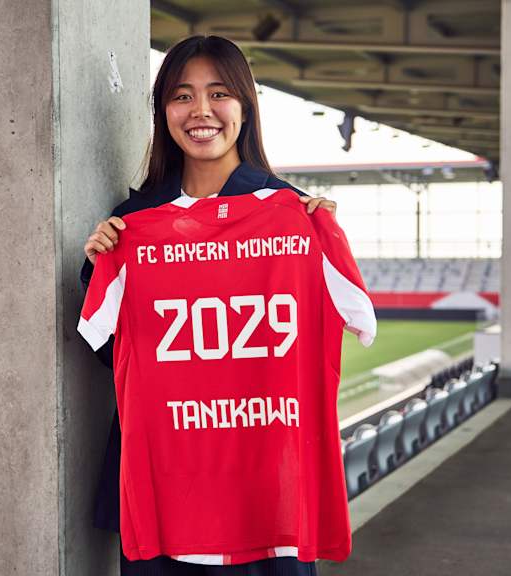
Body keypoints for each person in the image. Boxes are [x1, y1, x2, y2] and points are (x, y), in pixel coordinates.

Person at [80, 35, 338, 576]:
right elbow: (115, 355)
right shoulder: (133, 223)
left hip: (266, 480)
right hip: (166, 481)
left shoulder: (295, 215)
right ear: (163, 113)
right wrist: (99, 266)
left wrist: (317, 242)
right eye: (181, 96)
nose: (201, 111)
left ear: (245, 107)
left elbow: (315, 343)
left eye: (218, 93)